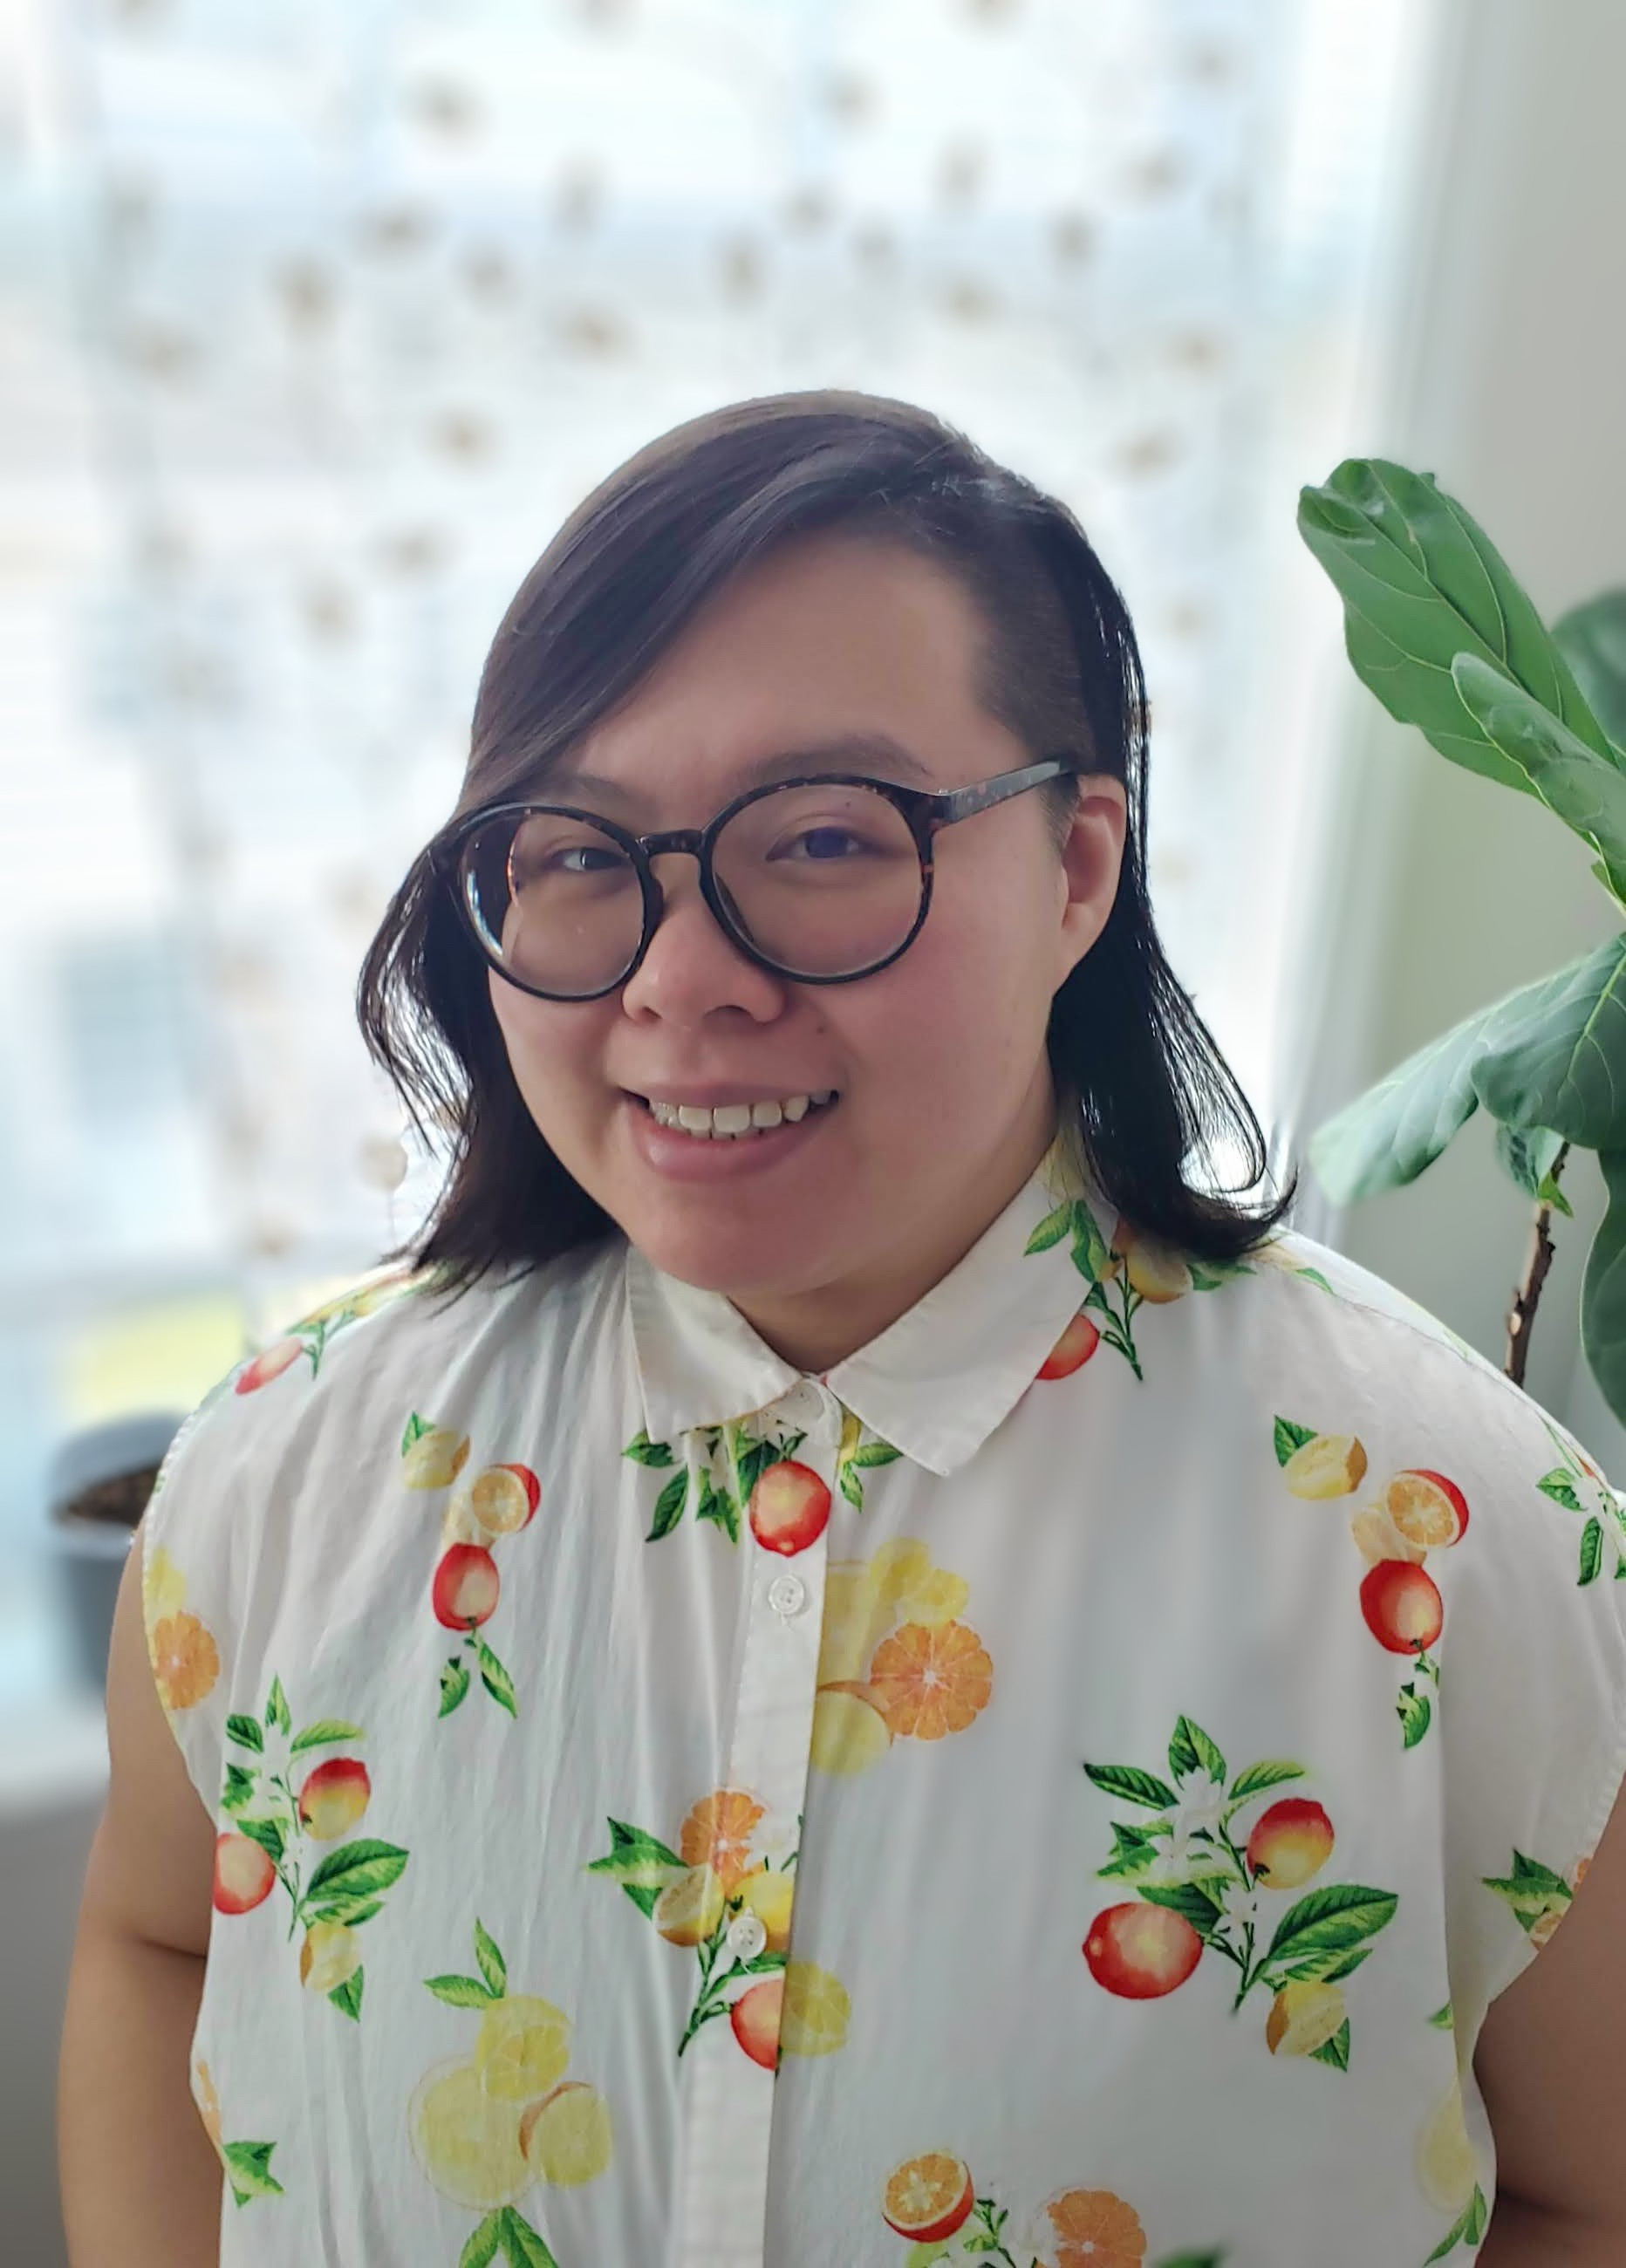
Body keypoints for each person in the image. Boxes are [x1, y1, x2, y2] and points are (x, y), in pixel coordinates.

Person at [58, 392, 1626, 2268]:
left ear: (1073, 868)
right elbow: (156, 1943)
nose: (676, 979)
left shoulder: (1454, 1536)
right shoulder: (283, 1466)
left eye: (817, 839)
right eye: (575, 851)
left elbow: (1585, 2184)